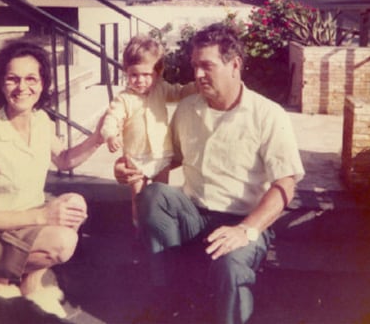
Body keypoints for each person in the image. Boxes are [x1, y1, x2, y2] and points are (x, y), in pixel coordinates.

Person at [114, 23, 305, 324]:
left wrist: (246, 230)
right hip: (194, 215)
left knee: (231, 266)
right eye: (195, 66)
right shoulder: (188, 109)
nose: (198, 75)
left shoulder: (268, 115)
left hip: (244, 220)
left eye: (207, 66)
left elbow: (286, 184)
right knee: (154, 194)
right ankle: (167, 298)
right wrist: (130, 170)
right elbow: (168, 158)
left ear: (235, 65)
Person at [0, 39, 104, 318]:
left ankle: (30, 285)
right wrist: (43, 216)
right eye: (12, 79)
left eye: (30, 78)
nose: (22, 87)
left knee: (75, 204)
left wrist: (96, 138)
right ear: (0, 84)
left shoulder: (41, 121)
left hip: (26, 221)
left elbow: (63, 159)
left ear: (42, 83)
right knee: (62, 241)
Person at [101, 34, 195, 225]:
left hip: (161, 154)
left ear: (157, 73)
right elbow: (111, 118)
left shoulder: (161, 89)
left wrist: (197, 87)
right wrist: (110, 135)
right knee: (139, 198)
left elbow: (180, 92)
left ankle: (162, 225)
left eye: (147, 75)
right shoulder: (124, 99)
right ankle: (140, 229)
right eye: (134, 75)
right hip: (136, 157)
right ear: (126, 72)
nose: (140, 80)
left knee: (161, 194)